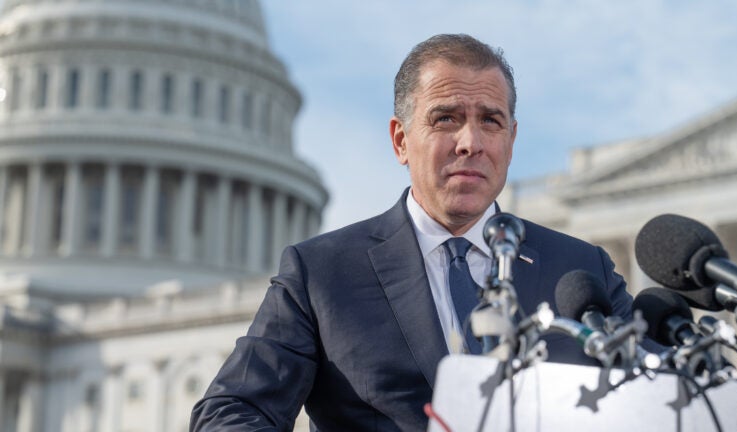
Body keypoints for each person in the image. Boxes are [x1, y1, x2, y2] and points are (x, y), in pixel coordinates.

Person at [190, 33, 633, 432]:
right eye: (446, 119)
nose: (470, 142)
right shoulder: (323, 274)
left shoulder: (580, 269)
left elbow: (661, 396)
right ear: (401, 140)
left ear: (512, 141)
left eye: (490, 121)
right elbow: (228, 413)